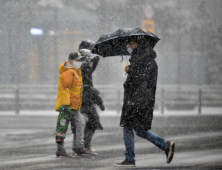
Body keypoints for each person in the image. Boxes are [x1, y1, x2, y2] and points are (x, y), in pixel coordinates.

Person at [114, 38, 175, 167]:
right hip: (145, 100)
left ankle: (130, 159)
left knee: (127, 127)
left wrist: (129, 72)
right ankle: (165, 144)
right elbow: (145, 79)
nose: (129, 47)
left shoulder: (138, 58)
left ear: (135, 43)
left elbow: (135, 81)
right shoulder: (149, 59)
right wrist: (132, 69)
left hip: (135, 100)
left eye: (129, 44)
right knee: (140, 130)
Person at [72, 40, 105, 155]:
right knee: (84, 122)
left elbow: (89, 76)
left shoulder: (84, 67)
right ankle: (80, 147)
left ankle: (81, 146)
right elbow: (84, 86)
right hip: (83, 100)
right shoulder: (81, 68)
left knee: (84, 122)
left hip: (86, 99)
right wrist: (94, 95)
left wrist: (96, 59)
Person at [54, 52, 87, 157]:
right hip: (68, 105)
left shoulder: (76, 72)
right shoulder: (69, 72)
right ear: (71, 61)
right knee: (63, 126)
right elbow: (65, 89)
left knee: (66, 125)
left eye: (80, 60)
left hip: (73, 105)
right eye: (77, 60)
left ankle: (74, 147)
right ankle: (72, 148)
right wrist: (66, 104)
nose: (79, 62)